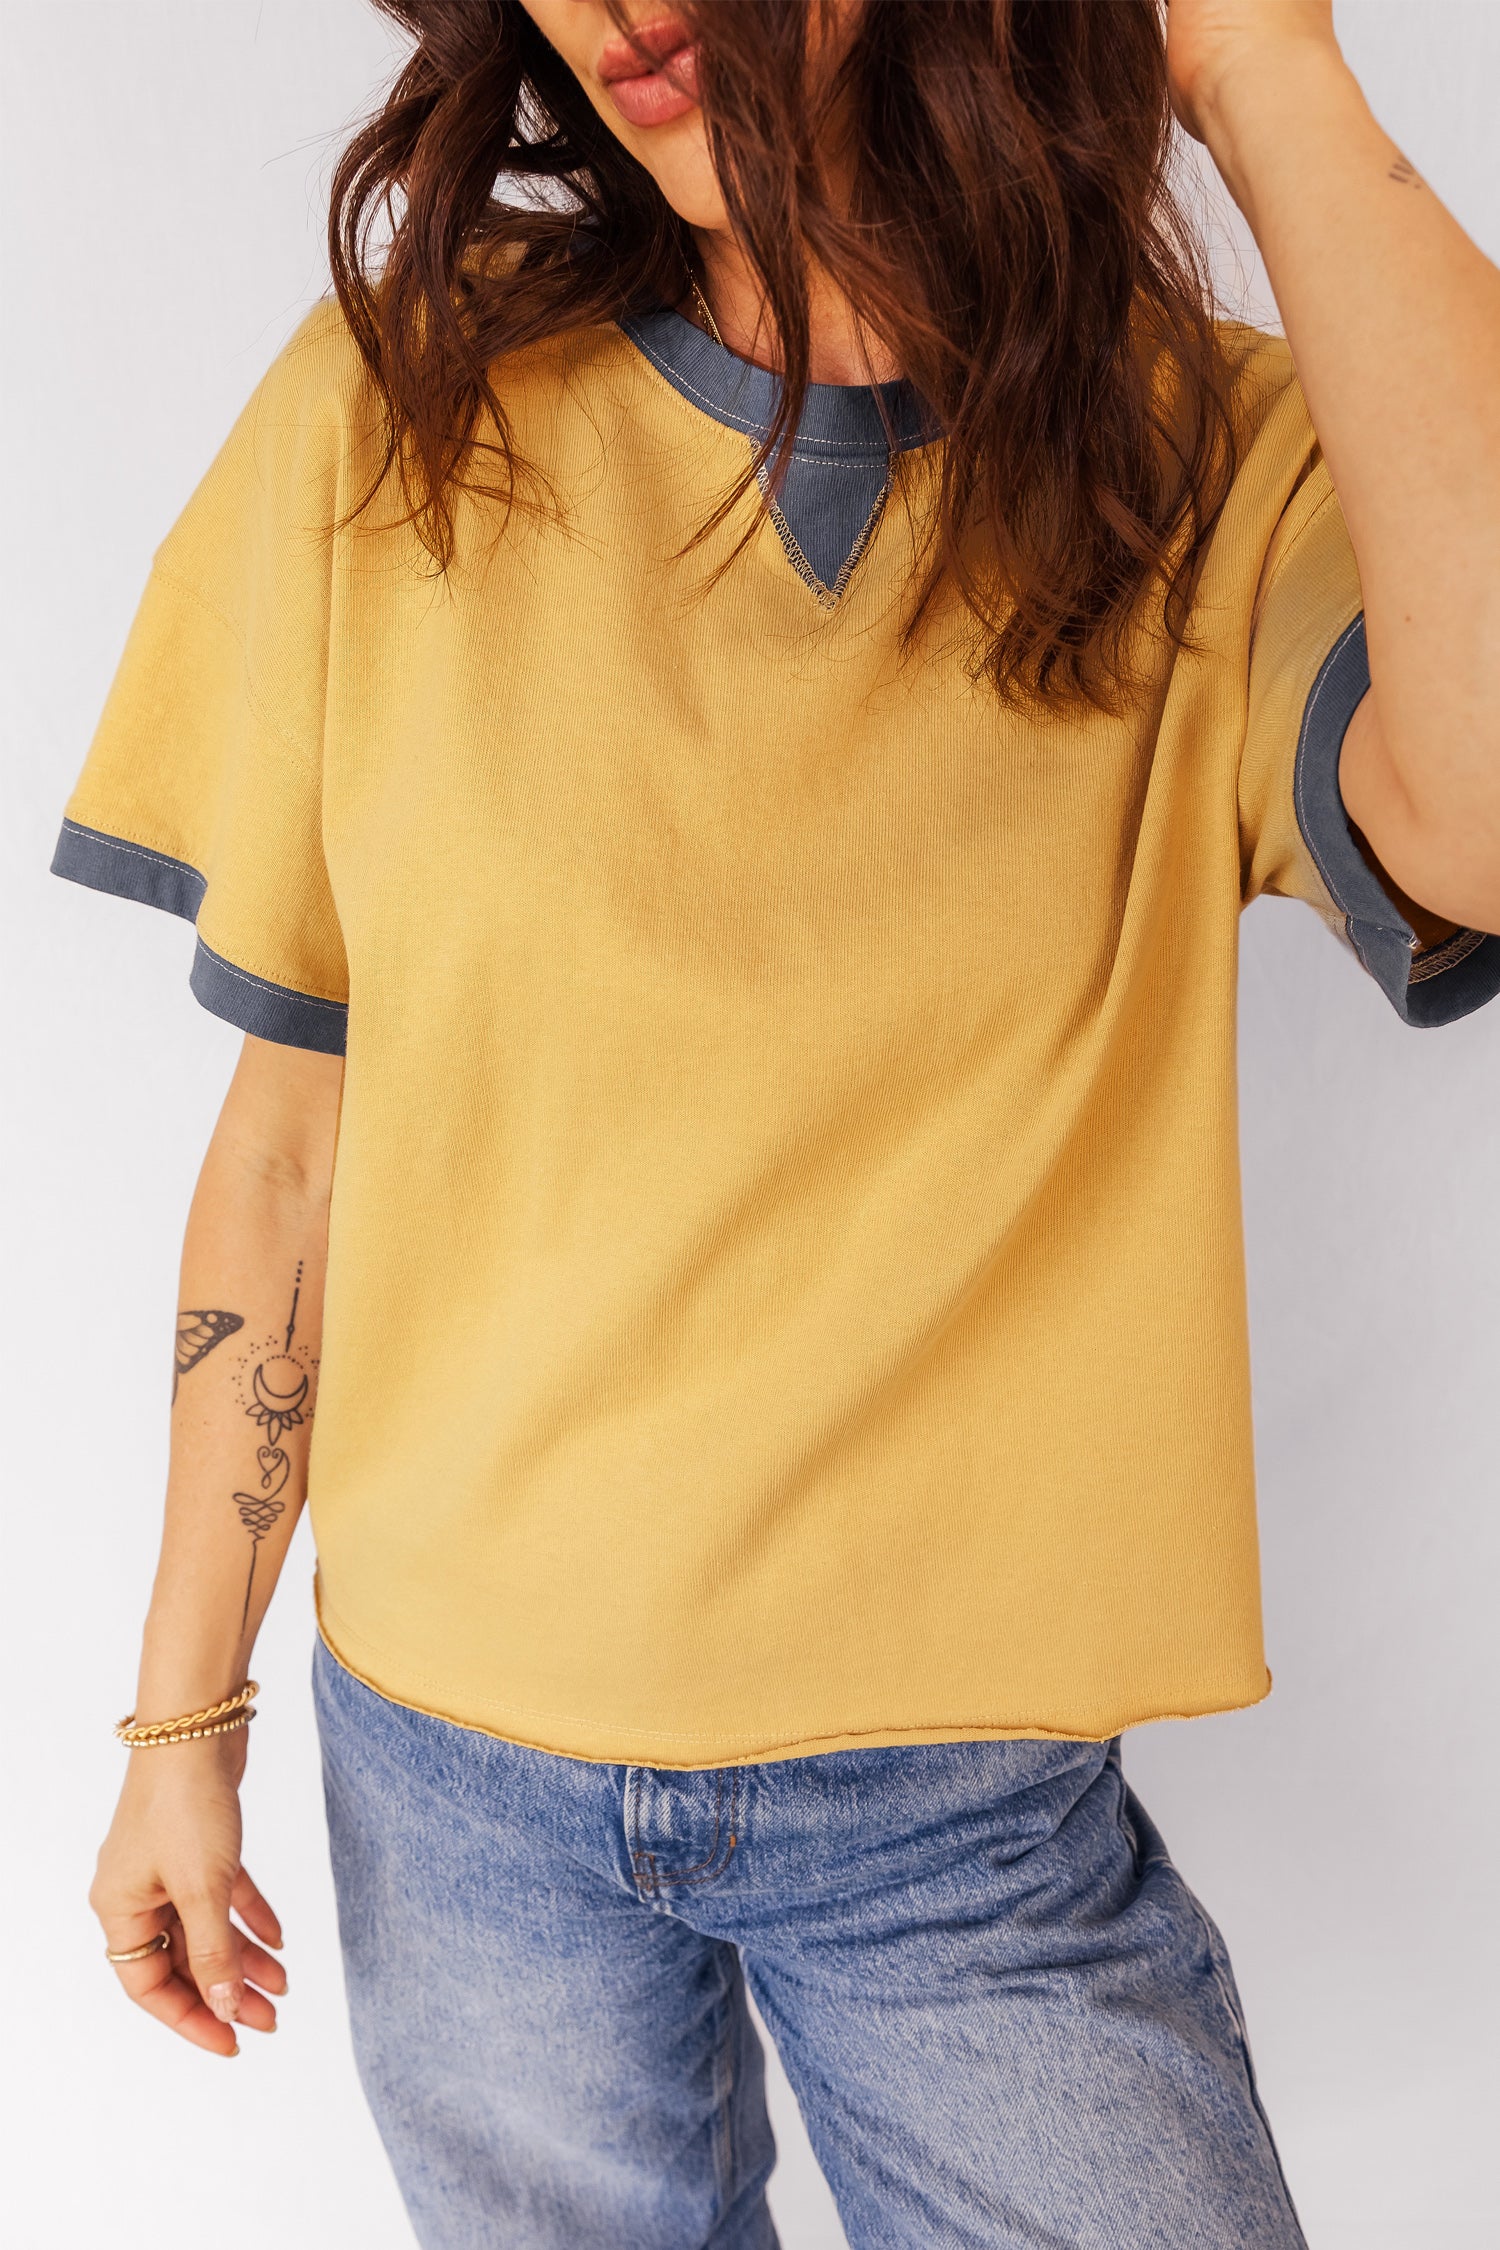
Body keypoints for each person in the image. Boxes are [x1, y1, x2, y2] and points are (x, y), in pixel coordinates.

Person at [53, 2, 1499, 2244]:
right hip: (450, 1780)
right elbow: (290, 1148)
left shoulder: (1201, 465)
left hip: (963, 1828)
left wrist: (1266, 75)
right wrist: (179, 1724)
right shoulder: (400, 408)